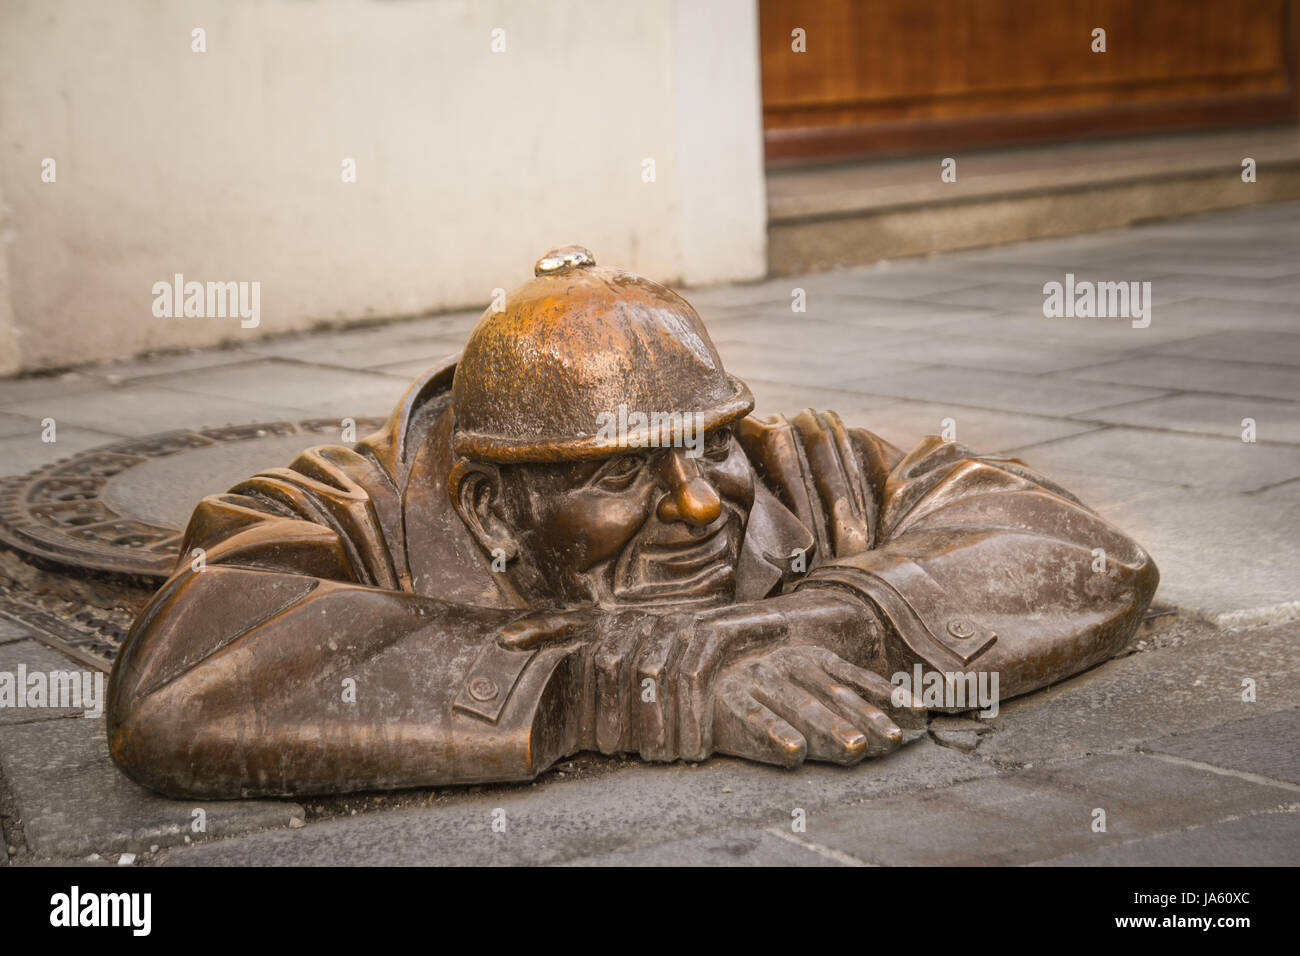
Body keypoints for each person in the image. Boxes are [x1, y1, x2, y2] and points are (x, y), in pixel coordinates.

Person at [108, 246, 1158, 798]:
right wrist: (618, 684)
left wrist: (819, 626)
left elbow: (1083, 551)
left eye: (703, 444)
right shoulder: (343, 508)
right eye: (618, 470)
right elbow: (174, 686)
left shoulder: (795, 459)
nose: (701, 499)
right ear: (491, 507)